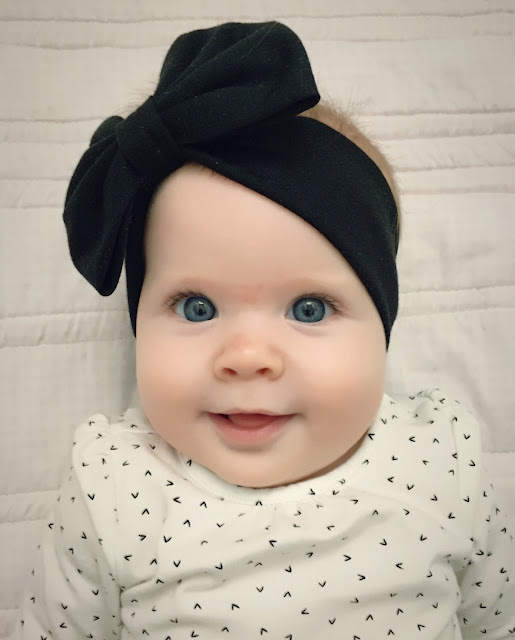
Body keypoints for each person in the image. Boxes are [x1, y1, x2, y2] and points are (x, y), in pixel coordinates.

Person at [14, 21, 514, 640]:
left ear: (383, 324)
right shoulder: (115, 485)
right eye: (197, 307)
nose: (247, 357)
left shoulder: (440, 461)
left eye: (309, 309)